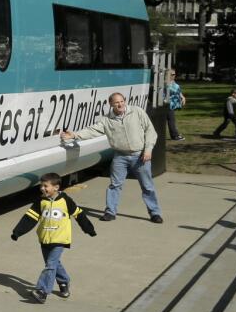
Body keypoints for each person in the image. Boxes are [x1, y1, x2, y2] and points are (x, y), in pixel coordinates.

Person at [60, 92, 162, 223]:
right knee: (115, 185)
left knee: (147, 186)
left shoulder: (137, 112)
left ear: (125, 101)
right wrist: (74, 135)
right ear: (111, 104)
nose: (119, 104)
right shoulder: (107, 119)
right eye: (116, 102)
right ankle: (110, 212)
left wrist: (148, 150)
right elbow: (92, 130)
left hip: (140, 155)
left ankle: (154, 213)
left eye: (121, 101)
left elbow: (150, 131)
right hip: (120, 156)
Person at [11, 172, 97, 303]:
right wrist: (17, 232)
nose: (42, 188)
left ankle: (42, 291)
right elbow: (30, 218)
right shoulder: (40, 201)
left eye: (46, 186)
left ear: (56, 187)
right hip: (44, 238)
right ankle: (64, 281)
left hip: (60, 239)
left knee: (50, 265)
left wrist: (89, 229)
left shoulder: (65, 200)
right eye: (41, 186)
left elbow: (79, 215)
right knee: (53, 263)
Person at [165, 70, 185, 140]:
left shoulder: (172, 82)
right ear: (168, 75)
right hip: (166, 104)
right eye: (172, 74)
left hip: (171, 104)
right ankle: (175, 136)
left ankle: (175, 135)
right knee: (171, 120)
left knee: (171, 119)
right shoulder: (165, 83)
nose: (174, 76)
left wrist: (182, 97)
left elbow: (178, 91)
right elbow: (173, 90)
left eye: (174, 74)